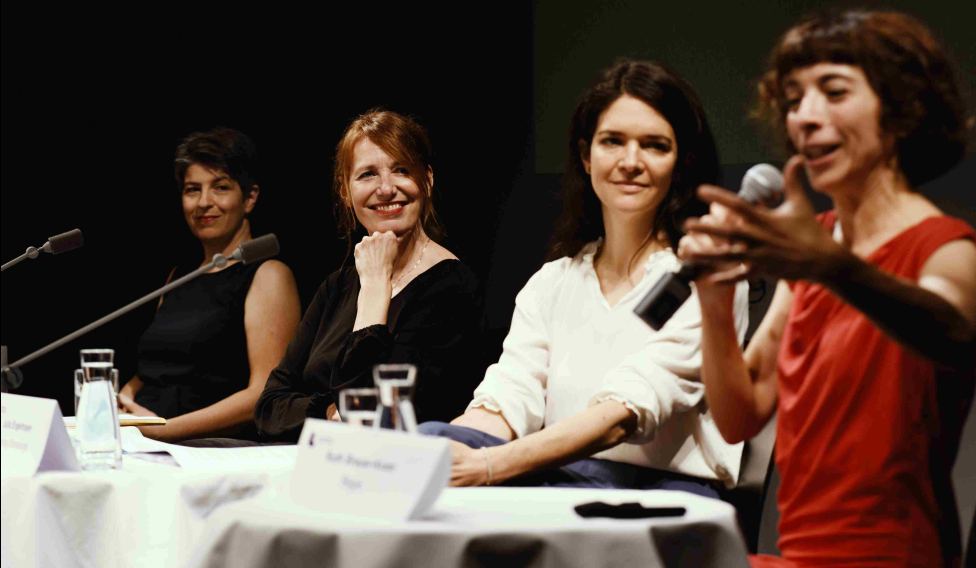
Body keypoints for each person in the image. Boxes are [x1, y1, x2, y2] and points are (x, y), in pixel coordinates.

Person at [678, 10, 976, 566]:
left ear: (900, 110)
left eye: (834, 92)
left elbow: (951, 329)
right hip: (798, 554)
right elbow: (740, 414)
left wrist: (832, 268)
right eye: (795, 99)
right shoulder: (817, 246)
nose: (805, 117)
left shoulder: (945, 245)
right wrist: (715, 302)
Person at [420, 60, 749, 495]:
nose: (630, 161)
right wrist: (444, 449)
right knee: (428, 440)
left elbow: (622, 415)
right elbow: (510, 398)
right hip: (560, 475)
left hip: (661, 490)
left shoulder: (705, 277)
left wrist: (487, 465)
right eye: (613, 141)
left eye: (654, 146)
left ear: (681, 163)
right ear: (585, 155)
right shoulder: (553, 282)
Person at [254, 109, 483, 443]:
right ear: (346, 192)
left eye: (402, 170)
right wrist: (332, 413)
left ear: (428, 180)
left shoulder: (453, 287)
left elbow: (376, 420)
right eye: (367, 175)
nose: (386, 188)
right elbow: (269, 408)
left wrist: (376, 289)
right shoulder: (336, 286)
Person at [118, 127, 301, 442]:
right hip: (143, 439)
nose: (204, 202)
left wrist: (162, 429)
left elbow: (265, 393)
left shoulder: (269, 275)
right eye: (192, 190)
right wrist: (126, 396)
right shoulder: (179, 276)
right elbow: (159, 366)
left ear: (250, 198)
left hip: (208, 449)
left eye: (221, 187)